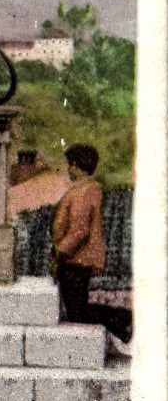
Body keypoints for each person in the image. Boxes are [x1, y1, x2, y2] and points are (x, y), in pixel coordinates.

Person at [51, 143, 132, 349]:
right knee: (78, 309)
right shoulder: (87, 189)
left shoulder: (83, 191)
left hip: (75, 259)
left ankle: (123, 320)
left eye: (70, 165)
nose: (68, 169)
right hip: (77, 259)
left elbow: (79, 230)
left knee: (78, 311)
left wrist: (61, 250)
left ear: (77, 166)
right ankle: (123, 321)